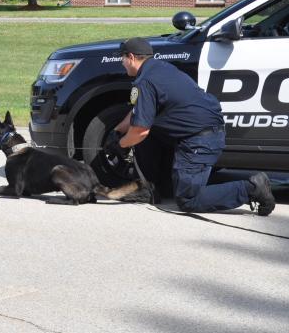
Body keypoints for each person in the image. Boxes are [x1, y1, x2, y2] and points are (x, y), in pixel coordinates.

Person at [106, 37, 276, 216]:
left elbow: (141, 131)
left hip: (200, 141)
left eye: (122, 58)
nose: (122, 63)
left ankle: (251, 188)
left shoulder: (145, 81)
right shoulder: (161, 69)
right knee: (150, 131)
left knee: (188, 200)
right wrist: (117, 131)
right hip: (201, 132)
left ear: (131, 57)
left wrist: (120, 145)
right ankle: (149, 187)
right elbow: (138, 113)